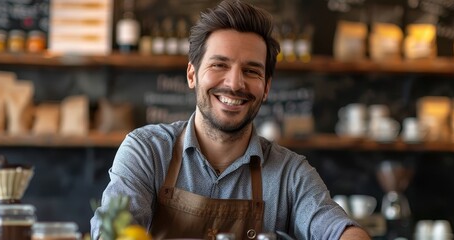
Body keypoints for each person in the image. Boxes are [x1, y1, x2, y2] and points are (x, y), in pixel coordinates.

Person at [90, 0, 371, 239]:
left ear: (266, 87)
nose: (235, 83)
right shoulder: (147, 151)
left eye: (251, 71)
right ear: (192, 75)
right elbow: (112, 230)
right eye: (219, 65)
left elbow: (337, 227)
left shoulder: (290, 173)